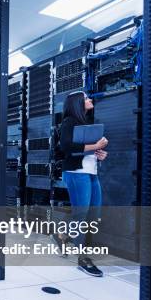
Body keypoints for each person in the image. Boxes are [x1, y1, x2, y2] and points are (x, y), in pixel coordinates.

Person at [58, 91, 108, 277]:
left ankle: (63, 236)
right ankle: (84, 259)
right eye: (86, 98)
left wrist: (100, 154)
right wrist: (96, 146)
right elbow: (66, 147)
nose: (90, 100)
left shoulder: (86, 124)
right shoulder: (69, 122)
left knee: (93, 214)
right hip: (76, 173)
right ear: (78, 103)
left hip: (91, 172)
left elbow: (87, 152)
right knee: (82, 215)